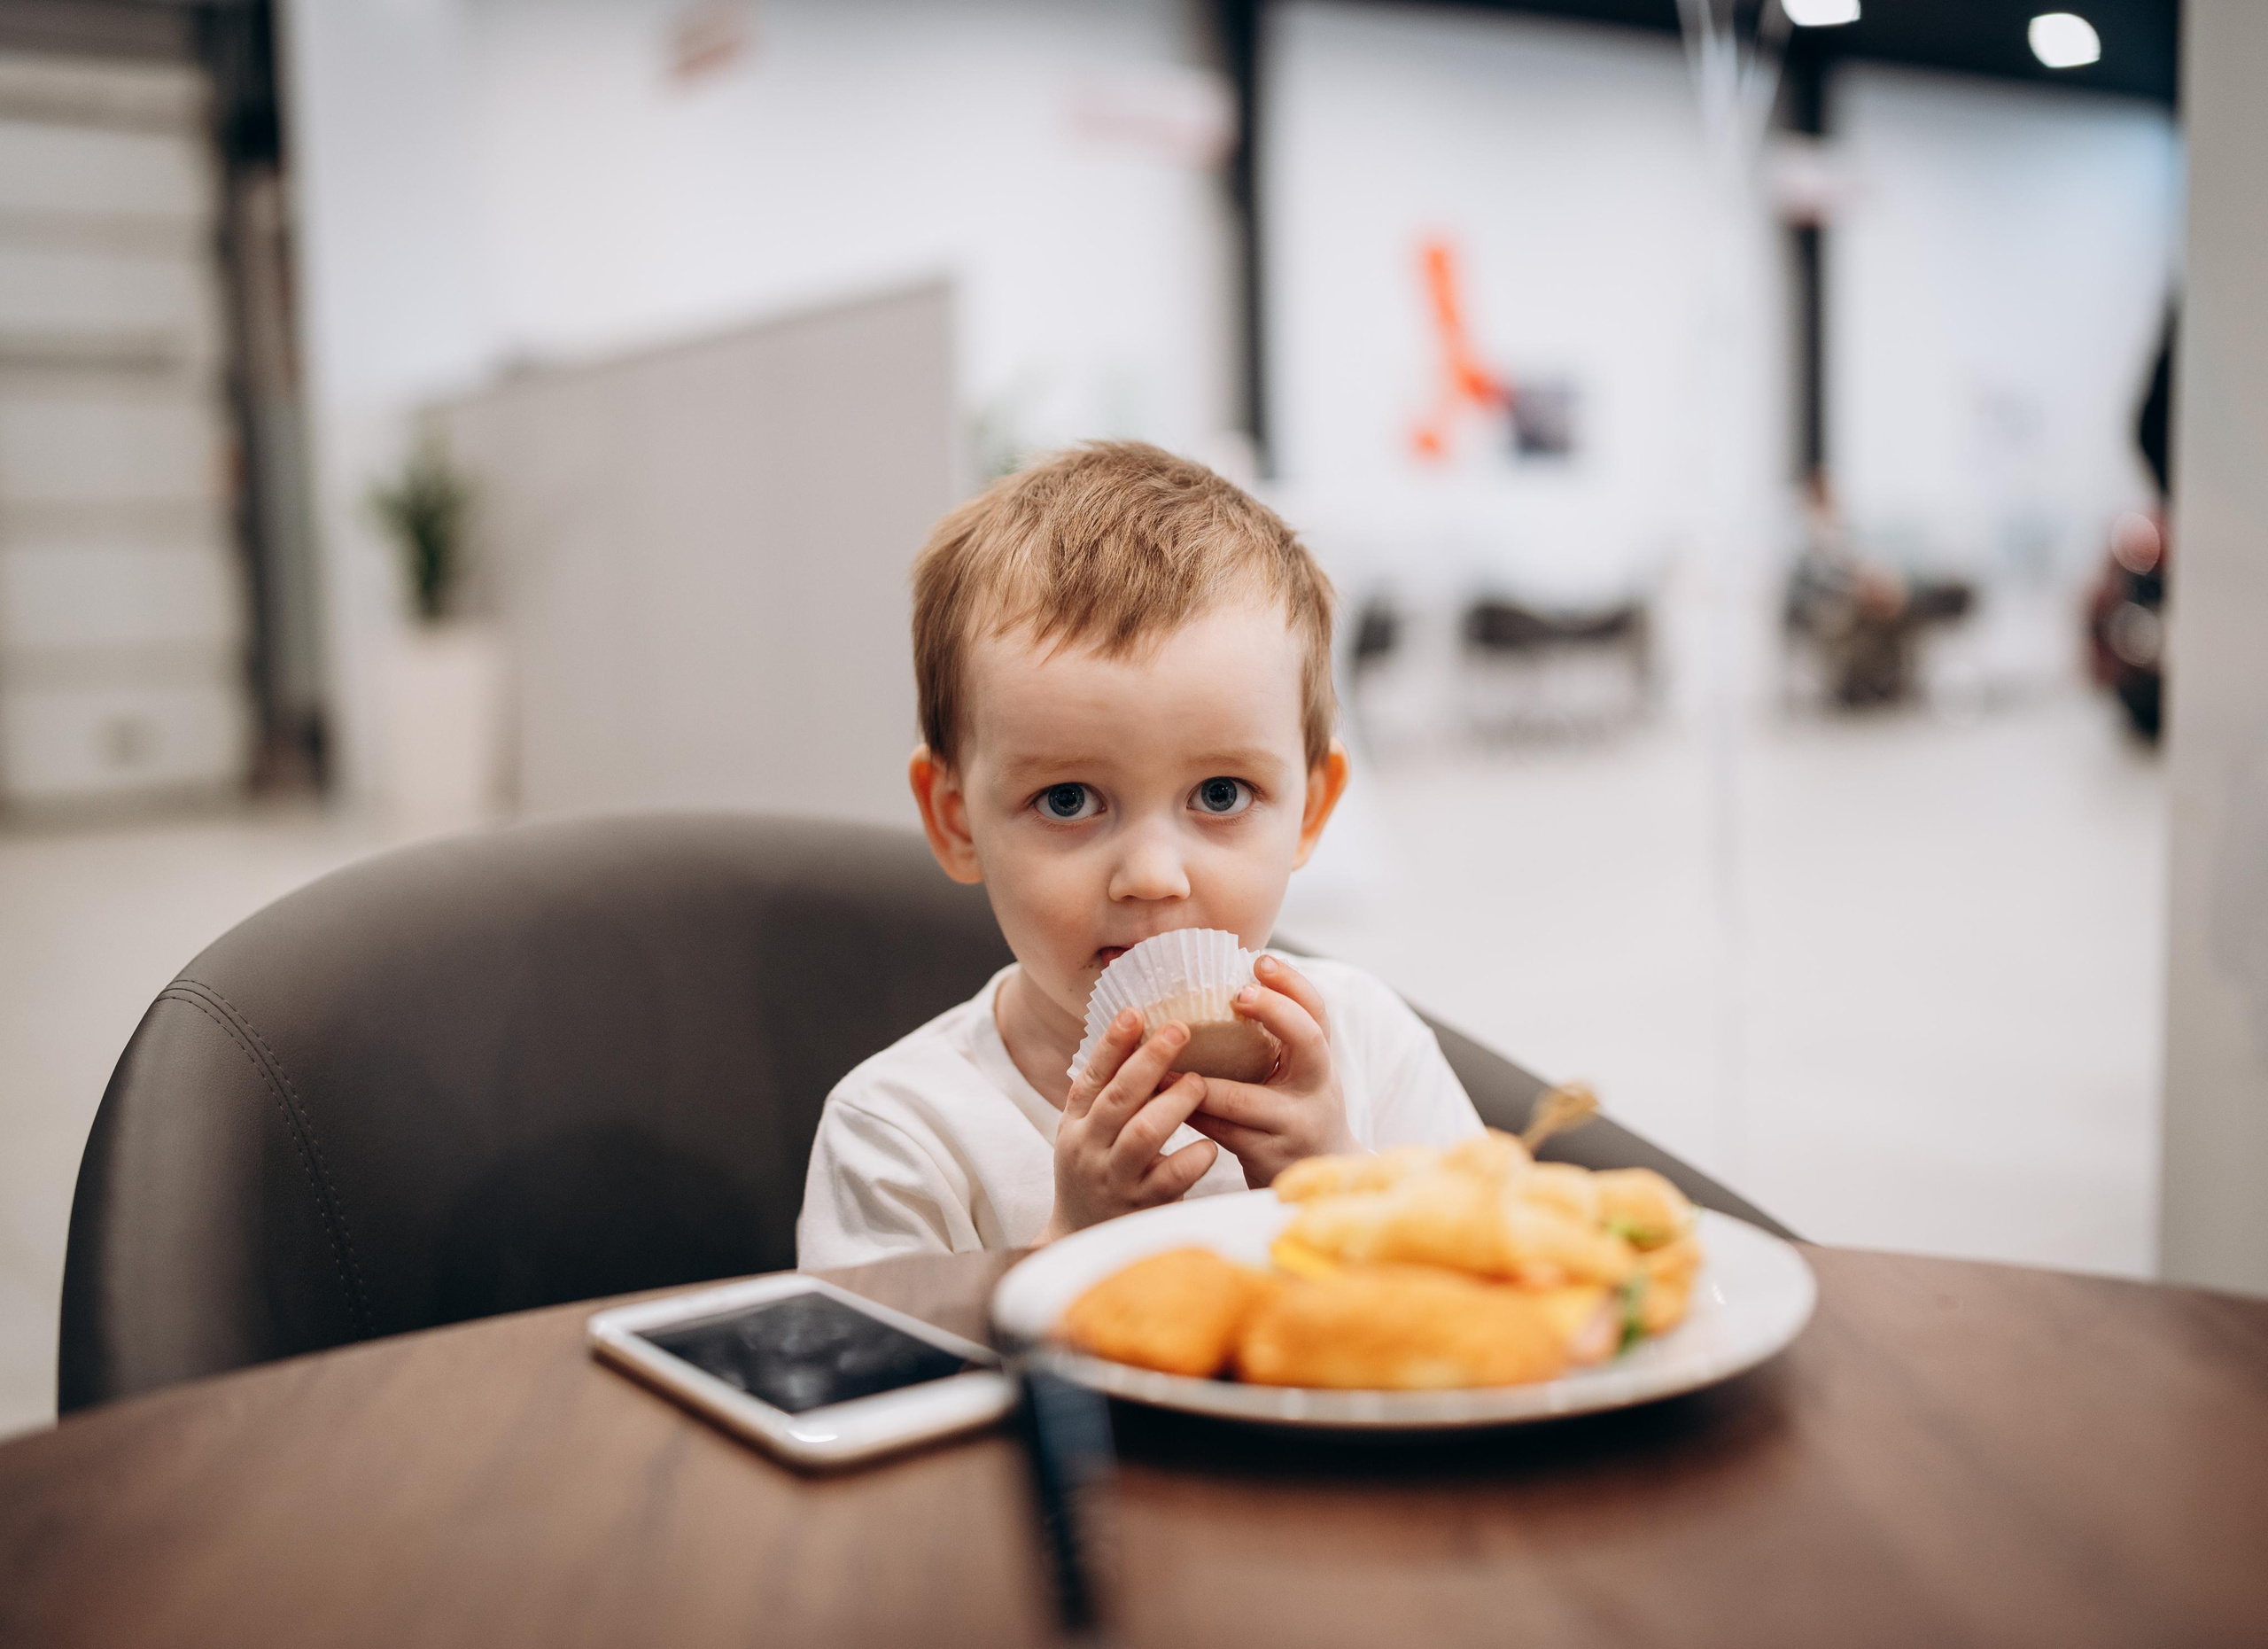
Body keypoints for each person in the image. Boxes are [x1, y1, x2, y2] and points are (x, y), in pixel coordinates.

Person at [796, 442, 1484, 1268]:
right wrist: (1069, 1243)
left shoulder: (1368, 1049)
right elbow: (889, 1389)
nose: (1154, 876)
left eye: (1221, 794)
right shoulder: (904, 1132)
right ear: (956, 822)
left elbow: (1493, 1306)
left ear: (1311, 810)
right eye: (1068, 801)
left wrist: (1337, 1182)